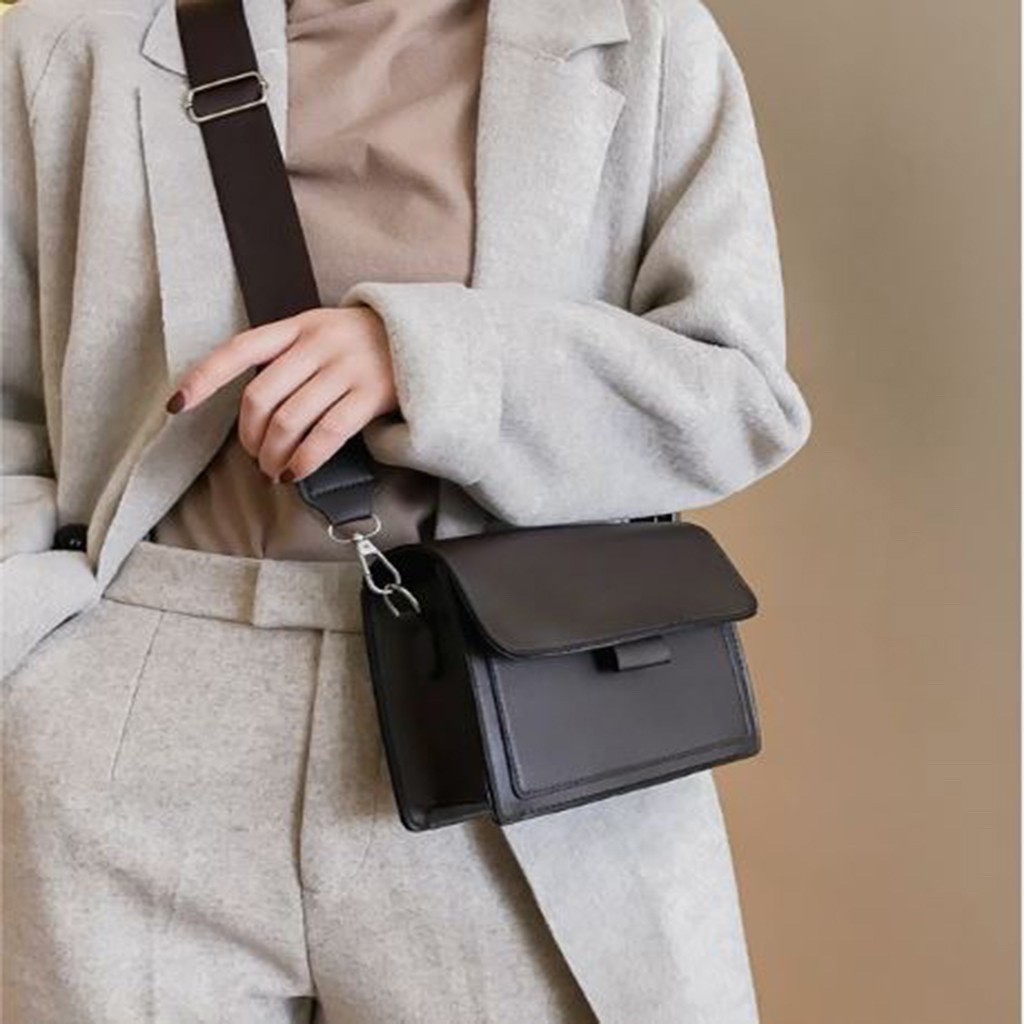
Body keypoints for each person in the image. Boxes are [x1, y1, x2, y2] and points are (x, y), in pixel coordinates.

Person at [0, 0, 813, 1021]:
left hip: (515, 714)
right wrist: (38, 659)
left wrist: (424, 357)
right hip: (133, 718)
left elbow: (737, 398)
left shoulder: (639, 34)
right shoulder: (72, 35)